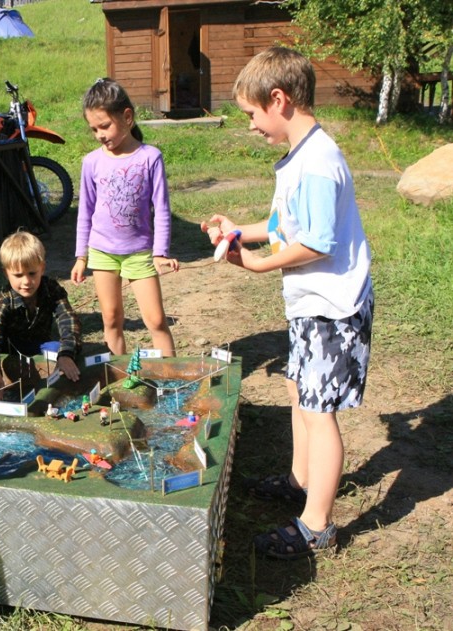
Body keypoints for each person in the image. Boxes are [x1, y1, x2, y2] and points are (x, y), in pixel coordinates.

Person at [201, 47, 373, 559]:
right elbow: (285, 225)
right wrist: (240, 230)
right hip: (310, 304)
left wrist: (256, 264)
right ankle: (300, 481)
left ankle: (316, 525)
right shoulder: (301, 157)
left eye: (252, 114)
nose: (251, 125)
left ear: (279, 100)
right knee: (301, 392)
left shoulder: (317, 162)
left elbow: (317, 242)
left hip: (332, 308)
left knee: (320, 413)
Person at [71, 78, 179, 357]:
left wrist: (160, 253)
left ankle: (171, 376)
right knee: (111, 319)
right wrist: (81, 256)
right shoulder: (91, 162)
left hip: (140, 253)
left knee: (156, 320)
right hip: (102, 252)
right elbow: (85, 211)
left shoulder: (150, 158)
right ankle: (116, 376)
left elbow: (162, 209)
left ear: (127, 117)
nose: (99, 134)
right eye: (94, 129)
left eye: (104, 126)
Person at [0, 231, 81, 400]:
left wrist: (66, 354)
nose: (26, 282)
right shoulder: (4, 301)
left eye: (32, 273)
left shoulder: (52, 289)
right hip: (7, 346)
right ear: (6, 273)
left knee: (57, 348)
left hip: (37, 345)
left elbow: (68, 320)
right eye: (18, 275)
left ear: (42, 268)